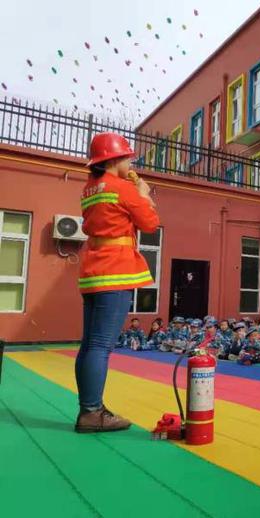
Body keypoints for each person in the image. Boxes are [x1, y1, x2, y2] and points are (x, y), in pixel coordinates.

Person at [75, 132, 159, 433]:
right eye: (126, 158)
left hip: (93, 269)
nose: (130, 162)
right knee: (101, 346)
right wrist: (145, 194)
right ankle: (92, 413)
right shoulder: (122, 188)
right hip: (116, 269)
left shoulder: (89, 189)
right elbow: (149, 223)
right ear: (112, 160)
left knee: (88, 345)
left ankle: (89, 408)